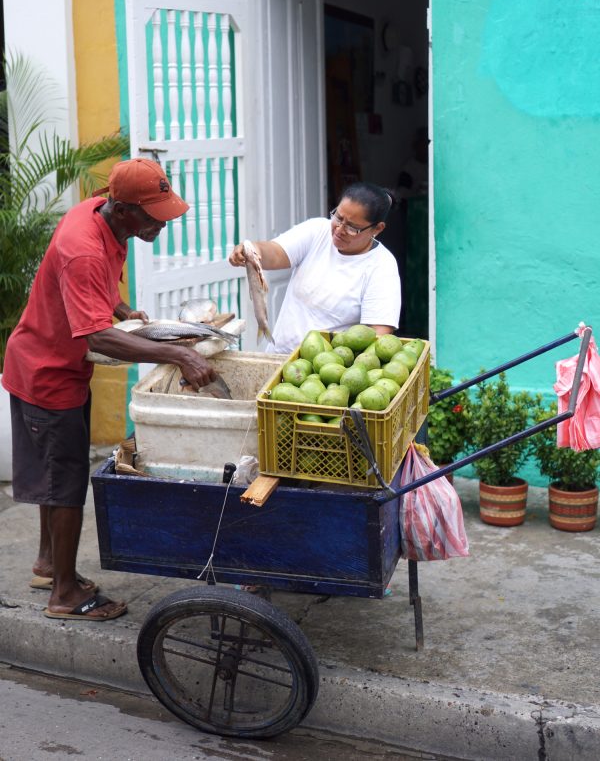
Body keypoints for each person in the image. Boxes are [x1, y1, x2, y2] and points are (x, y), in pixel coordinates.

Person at [2, 158, 216, 622]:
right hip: (47, 373)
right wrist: (180, 354)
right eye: (152, 214)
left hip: (55, 365)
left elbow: (91, 291)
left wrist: (121, 308)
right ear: (120, 209)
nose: (162, 222)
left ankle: (47, 564)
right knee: (67, 484)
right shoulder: (83, 246)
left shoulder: (101, 216)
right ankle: (63, 594)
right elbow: (94, 337)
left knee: (55, 476)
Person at [229, 182, 401, 355]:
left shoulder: (382, 267)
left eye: (352, 227)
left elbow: (379, 335)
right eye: (338, 217)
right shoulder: (317, 231)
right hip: (278, 356)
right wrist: (252, 251)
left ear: (377, 229)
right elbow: (275, 253)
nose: (339, 230)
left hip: (325, 374)